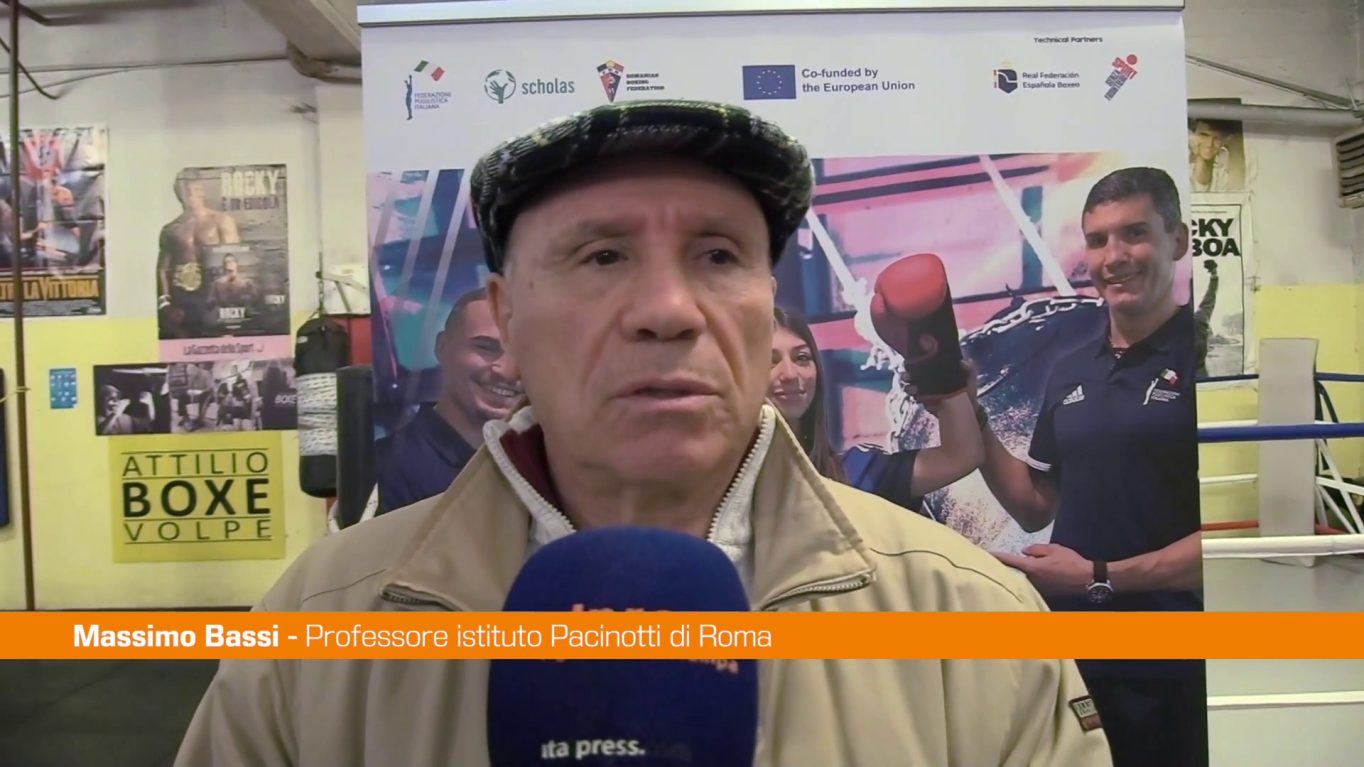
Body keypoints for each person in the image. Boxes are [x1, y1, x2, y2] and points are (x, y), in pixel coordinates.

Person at [175, 100, 1111, 767]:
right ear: (508, 316)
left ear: (766, 306)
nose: (668, 308)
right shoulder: (320, 628)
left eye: (718, 254)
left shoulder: (967, 620)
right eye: (602, 255)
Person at [974, 167, 1207, 767]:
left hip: (1176, 659)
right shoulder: (1071, 369)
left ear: (1178, 240)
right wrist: (967, 412)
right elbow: (1036, 503)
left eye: (1135, 234)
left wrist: (1099, 577)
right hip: (1077, 654)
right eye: (1098, 240)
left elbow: (1234, 540)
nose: (1114, 257)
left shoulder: (1211, 360)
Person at [769, 305, 984, 516]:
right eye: (769, 360)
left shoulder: (855, 474)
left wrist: (944, 375)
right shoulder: (748, 490)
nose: (790, 374)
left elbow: (960, 456)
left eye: (801, 358)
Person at [374, 286, 522, 512]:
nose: (507, 370)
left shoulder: (544, 464)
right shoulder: (385, 469)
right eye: (486, 347)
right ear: (442, 347)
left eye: (523, 352)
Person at [158, 171, 240, 339]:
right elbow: (162, 269)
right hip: (183, 302)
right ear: (178, 193)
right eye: (185, 191)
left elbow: (234, 260)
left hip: (216, 300)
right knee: (183, 348)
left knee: (222, 346)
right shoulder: (171, 229)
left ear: (202, 190)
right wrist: (164, 304)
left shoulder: (221, 221)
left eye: (194, 189)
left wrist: (230, 304)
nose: (191, 195)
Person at [1188, 118, 1237, 193]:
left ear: (1223, 142)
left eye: (1217, 138)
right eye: (1204, 135)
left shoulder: (1224, 177)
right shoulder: (1184, 173)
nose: (1209, 144)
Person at [1194, 258, 1219, 379]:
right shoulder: (1200, 319)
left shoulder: (1199, 318)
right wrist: (1214, 273)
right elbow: (1211, 296)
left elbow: (1210, 296)